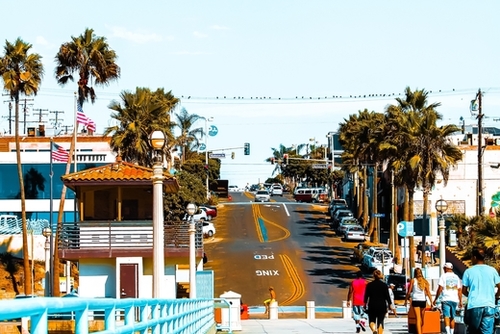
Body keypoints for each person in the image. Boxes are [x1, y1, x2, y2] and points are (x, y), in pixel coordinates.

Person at [462, 246, 500, 334]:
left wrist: (470, 295)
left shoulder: (468, 271)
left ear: (474, 257)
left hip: (474, 306)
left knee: (473, 331)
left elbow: (464, 290)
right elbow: (499, 286)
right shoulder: (492, 270)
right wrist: (495, 296)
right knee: (487, 331)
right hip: (489, 305)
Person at [432, 262, 462, 334]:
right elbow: (459, 290)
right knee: (452, 317)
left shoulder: (443, 276)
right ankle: (451, 332)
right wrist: (460, 301)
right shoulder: (457, 277)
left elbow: (440, 288)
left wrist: (435, 299)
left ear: (445, 268)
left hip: (446, 298)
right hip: (455, 300)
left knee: (446, 316)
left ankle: (448, 332)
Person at [364, 269, 395, 334]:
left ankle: (374, 330)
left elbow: (366, 296)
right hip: (382, 306)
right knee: (380, 321)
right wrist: (390, 305)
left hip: (372, 305)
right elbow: (387, 297)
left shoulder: (369, 285)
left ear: (374, 276)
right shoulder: (384, 285)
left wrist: (365, 304)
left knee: (372, 321)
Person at [404, 267, 433, 334]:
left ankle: (419, 332)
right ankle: (421, 331)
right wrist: (431, 302)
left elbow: (409, 292)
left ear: (414, 273)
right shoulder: (425, 281)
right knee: (422, 318)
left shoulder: (413, 280)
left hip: (415, 300)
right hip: (423, 300)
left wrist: (406, 300)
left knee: (418, 318)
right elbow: (428, 292)